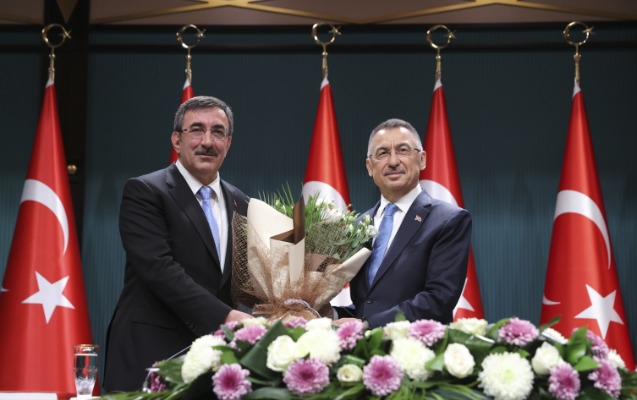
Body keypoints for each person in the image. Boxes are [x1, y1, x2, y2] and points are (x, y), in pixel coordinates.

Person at [104, 96, 253, 392]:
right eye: (196, 130)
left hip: (215, 365)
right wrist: (227, 317)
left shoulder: (242, 203)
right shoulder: (145, 192)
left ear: (228, 143)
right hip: (152, 358)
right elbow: (159, 270)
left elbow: (247, 278)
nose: (207, 141)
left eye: (218, 132)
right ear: (176, 140)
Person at [334, 118, 471, 328]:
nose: (393, 161)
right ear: (369, 166)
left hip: (417, 345)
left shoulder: (448, 220)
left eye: (403, 150)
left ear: (422, 159)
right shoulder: (359, 226)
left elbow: (438, 299)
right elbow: (368, 305)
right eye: (382, 153)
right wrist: (328, 314)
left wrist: (367, 324)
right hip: (362, 347)